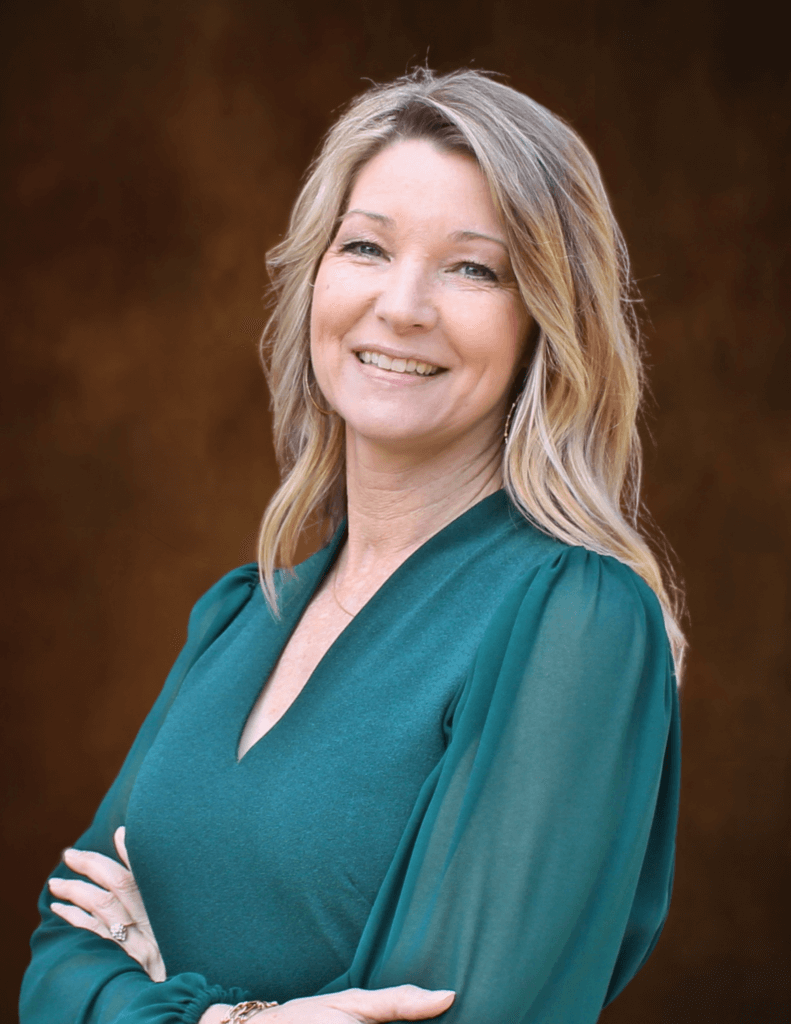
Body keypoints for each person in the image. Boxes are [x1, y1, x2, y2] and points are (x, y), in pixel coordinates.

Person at [20, 67, 683, 1024]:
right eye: (367, 247)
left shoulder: (573, 621)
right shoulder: (242, 611)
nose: (402, 305)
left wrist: (151, 996)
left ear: (544, 319)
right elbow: (54, 964)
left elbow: (461, 1014)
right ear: (315, 278)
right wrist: (225, 1021)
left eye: (472, 268)